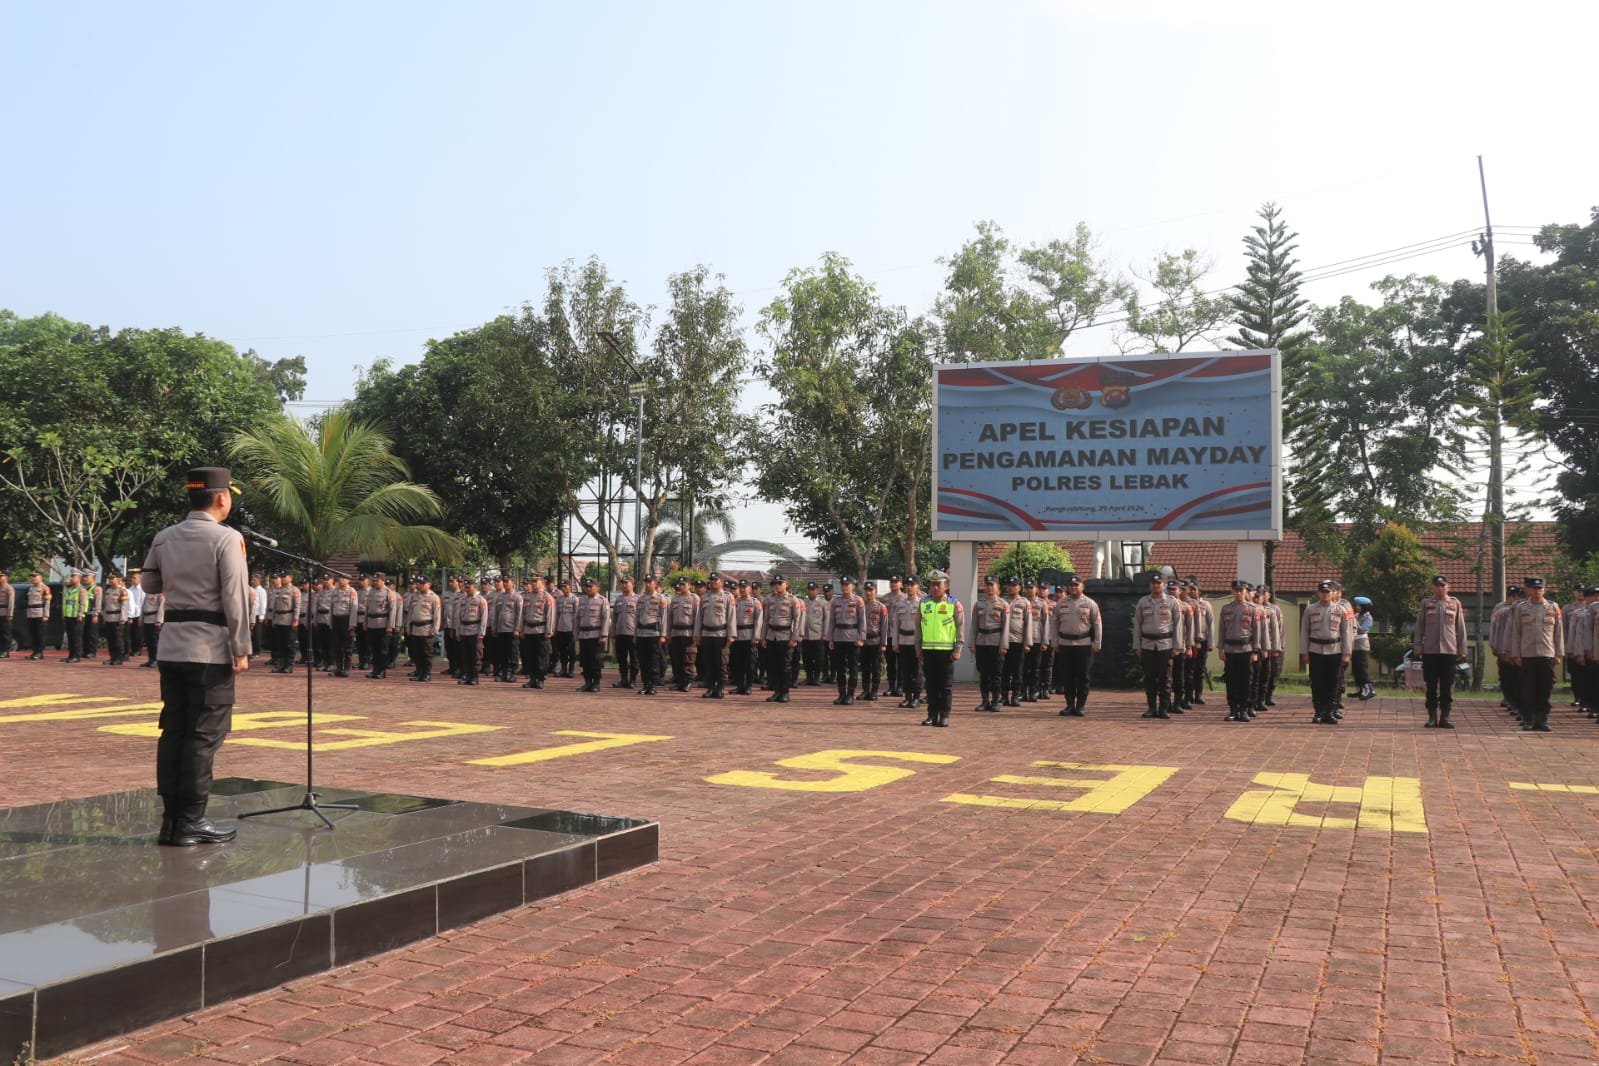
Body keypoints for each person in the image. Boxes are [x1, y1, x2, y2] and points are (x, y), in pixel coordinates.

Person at [139, 466, 251, 846]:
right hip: (209, 648)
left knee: (175, 731)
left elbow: (150, 582)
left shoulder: (164, 537)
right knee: (204, 735)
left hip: (172, 644)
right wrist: (242, 648)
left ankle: (171, 821)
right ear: (221, 497)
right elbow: (235, 597)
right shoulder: (226, 538)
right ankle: (191, 820)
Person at [1507, 576, 1563, 732]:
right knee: (1528, 689)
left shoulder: (1553, 607)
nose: (1538, 591)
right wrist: (1516, 654)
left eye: (1540, 588)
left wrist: (1558, 653)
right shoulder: (1521, 608)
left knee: (1545, 689)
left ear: (1544, 590)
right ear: (1528, 590)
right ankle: (1529, 719)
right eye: (1534, 588)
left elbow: (1558, 632)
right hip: (1528, 654)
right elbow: (1516, 632)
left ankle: (1542, 720)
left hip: (1547, 653)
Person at [1413, 574, 1468, 728]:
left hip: (1449, 651)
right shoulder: (1426, 603)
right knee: (1430, 685)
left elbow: (1460, 628)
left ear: (1448, 587)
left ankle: (1445, 717)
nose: (1440, 588)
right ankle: (1431, 717)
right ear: (1433, 587)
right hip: (1430, 651)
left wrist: (1462, 649)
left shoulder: (1455, 603)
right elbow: (1419, 627)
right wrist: (1417, 646)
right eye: (1437, 585)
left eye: (1443, 585)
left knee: (1446, 685)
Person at [1133, 573, 1186, 719]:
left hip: (1165, 644)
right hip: (1147, 644)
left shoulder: (1172, 602)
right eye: (1153, 583)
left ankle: (1163, 708)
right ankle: (1151, 707)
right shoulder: (1143, 602)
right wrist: (1137, 645)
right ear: (1150, 585)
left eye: (1159, 583)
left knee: (1165, 678)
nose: (1156, 585)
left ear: (1163, 585)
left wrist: (1178, 645)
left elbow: (1178, 625)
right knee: (1149, 677)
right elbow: (1137, 624)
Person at [915, 570, 964, 727]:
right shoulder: (923, 603)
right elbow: (918, 627)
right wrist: (918, 647)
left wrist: (958, 649)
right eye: (932, 584)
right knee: (931, 685)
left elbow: (960, 627)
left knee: (945, 686)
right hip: (928, 651)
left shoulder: (953, 604)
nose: (935, 588)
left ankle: (944, 715)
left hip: (946, 652)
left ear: (946, 586)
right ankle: (931, 715)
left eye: (938, 584)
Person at [1048, 574, 1101, 717]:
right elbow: (1054, 623)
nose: (1073, 587)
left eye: (1076, 585)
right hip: (1065, 644)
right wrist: (1054, 642)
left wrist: (1097, 642)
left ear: (1082, 587)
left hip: (1083, 644)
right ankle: (1069, 704)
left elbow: (1097, 623)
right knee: (1067, 676)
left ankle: (1081, 705)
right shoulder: (1061, 603)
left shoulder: (1090, 603)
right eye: (1071, 585)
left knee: (1083, 676)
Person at [1301, 580, 1353, 725]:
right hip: (1315, 650)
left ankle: (1330, 712)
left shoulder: (1340, 610)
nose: (1325, 595)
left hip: (1334, 650)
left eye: (1327, 592)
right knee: (1317, 683)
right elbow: (1304, 631)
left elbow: (1346, 632)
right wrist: (1304, 652)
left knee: (1333, 683)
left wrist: (1346, 653)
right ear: (1318, 593)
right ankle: (1318, 712)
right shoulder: (1310, 610)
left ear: (1332, 594)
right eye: (1322, 592)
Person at [1218, 580, 1263, 722]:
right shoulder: (1226, 609)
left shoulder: (1252, 609)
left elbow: (1257, 631)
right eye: (1235, 590)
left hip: (1246, 649)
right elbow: (1222, 630)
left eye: (1241, 591)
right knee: (1231, 681)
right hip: (1230, 649)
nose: (1238, 593)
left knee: (1245, 681)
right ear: (1232, 592)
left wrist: (1256, 651)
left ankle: (1243, 710)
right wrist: (1221, 648)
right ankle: (1233, 710)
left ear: (1246, 593)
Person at [969, 575, 1009, 712]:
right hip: (981, 642)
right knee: (983, 673)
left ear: (998, 588)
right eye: (987, 585)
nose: (989, 588)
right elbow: (974, 625)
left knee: (996, 674)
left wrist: (1004, 645)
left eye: (992, 585)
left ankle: (996, 700)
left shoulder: (1003, 604)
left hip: (996, 642)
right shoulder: (978, 604)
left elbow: (1006, 626)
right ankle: (985, 701)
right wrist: (972, 643)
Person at [825, 575, 867, 706]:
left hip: (853, 638)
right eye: (843, 585)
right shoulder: (836, 601)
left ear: (853, 586)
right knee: (840, 668)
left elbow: (862, 621)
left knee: (853, 667)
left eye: (847, 584)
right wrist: (830, 638)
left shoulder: (858, 600)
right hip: (838, 637)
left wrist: (861, 637)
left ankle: (850, 694)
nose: (845, 587)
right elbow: (831, 621)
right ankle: (841, 694)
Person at [760, 574, 802, 703]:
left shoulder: (793, 600)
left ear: (786, 584)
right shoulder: (770, 599)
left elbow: (798, 620)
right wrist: (763, 637)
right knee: (773, 666)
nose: (777, 586)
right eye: (775, 583)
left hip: (785, 636)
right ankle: (776, 691)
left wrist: (794, 638)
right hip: (772, 635)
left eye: (780, 583)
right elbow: (766, 619)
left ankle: (785, 692)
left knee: (785, 666)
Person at [693, 572, 735, 699]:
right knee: (708, 662)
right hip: (706, 633)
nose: (712, 582)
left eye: (715, 580)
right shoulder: (704, 597)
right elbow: (699, 617)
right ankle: (711, 688)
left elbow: (731, 616)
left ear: (721, 582)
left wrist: (731, 634)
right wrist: (697, 634)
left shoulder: (728, 596)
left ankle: (720, 688)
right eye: (711, 580)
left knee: (720, 663)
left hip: (720, 634)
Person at [575, 576, 612, 692]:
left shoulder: (602, 600)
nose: (588, 589)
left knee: (596, 660)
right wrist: (576, 633)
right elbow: (577, 618)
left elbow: (606, 619)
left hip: (596, 635)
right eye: (586, 587)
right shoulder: (582, 600)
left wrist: (604, 635)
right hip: (584, 634)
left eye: (591, 586)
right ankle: (587, 682)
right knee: (585, 660)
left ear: (597, 588)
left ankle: (596, 683)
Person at [634, 575, 669, 696]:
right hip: (642, 634)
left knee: (654, 660)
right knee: (643, 661)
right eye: (646, 582)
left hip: (654, 634)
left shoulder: (661, 598)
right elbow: (636, 617)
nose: (648, 584)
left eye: (650, 582)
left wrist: (663, 635)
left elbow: (664, 618)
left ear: (655, 583)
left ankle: (653, 685)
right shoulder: (641, 599)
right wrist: (635, 634)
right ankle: (645, 684)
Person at [519, 574, 556, 689]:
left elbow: (550, 615)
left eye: (536, 581)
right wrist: (521, 629)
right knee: (529, 656)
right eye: (532, 581)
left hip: (541, 630)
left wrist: (549, 630)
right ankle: (532, 678)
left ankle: (540, 679)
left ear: (542, 583)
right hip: (528, 630)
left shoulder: (547, 597)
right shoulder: (527, 597)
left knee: (541, 656)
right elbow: (522, 614)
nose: (533, 584)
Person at [404, 575, 442, 681]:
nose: (419, 585)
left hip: (427, 628)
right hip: (415, 628)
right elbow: (410, 612)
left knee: (426, 653)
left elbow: (437, 615)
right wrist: (408, 626)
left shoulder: (434, 597)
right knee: (417, 652)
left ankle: (426, 673)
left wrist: (435, 629)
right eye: (418, 583)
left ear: (429, 584)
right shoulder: (414, 596)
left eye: (422, 583)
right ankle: (419, 672)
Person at [894, 576, 924, 708]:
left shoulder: (922, 604)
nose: (909, 587)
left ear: (918, 587)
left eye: (912, 585)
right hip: (903, 641)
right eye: (907, 585)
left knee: (917, 670)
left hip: (916, 642)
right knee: (905, 671)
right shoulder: (900, 604)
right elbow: (895, 625)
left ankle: (916, 697)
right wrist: (895, 642)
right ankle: (907, 696)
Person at [731, 580, 763, 696]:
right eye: (741, 587)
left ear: (749, 588)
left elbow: (758, 621)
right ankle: (740, 686)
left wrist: (756, 636)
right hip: (737, 636)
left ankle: (748, 686)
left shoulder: (755, 602)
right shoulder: (735, 602)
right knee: (737, 663)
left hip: (749, 636)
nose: (742, 589)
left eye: (745, 587)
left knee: (750, 663)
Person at [454, 579, 488, 685]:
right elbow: (458, 616)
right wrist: (458, 631)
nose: (466, 589)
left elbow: (484, 617)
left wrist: (481, 632)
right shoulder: (462, 600)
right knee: (465, 656)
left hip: (475, 630)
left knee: (475, 656)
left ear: (474, 586)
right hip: (464, 630)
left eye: (468, 587)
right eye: (465, 587)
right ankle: (467, 676)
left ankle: (474, 677)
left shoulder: (480, 600)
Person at [667, 577, 698, 692]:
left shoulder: (694, 599)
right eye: (679, 584)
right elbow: (670, 618)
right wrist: (668, 633)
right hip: (676, 632)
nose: (681, 586)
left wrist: (696, 633)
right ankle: (679, 682)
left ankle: (688, 682)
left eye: (683, 584)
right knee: (677, 658)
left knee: (688, 658)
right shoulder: (674, 599)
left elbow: (697, 617)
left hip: (688, 632)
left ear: (689, 585)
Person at [859, 582, 888, 701]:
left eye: (871, 590)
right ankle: (865, 690)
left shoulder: (881, 606)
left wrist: (883, 643)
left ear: (875, 591)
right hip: (863, 641)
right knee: (865, 668)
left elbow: (885, 625)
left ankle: (874, 691)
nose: (868, 592)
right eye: (866, 590)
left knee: (876, 668)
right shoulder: (860, 606)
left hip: (876, 641)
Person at [611, 577, 640, 689]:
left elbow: (640, 617)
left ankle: (632, 680)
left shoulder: (638, 599)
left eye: (626, 583)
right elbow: (614, 617)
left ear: (632, 584)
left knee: (634, 658)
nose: (624, 585)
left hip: (632, 633)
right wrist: (613, 631)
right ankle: (623, 679)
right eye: (622, 583)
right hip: (620, 633)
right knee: (621, 658)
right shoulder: (618, 599)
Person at [326, 575, 358, 677]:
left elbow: (354, 608)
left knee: (347, 646)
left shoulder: (351, 591)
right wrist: (330, 622)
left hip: (346, 620)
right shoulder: (335, 591)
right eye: (340, 578)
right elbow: (331, 607)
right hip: (336, 619)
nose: (341, 580)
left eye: (344, 578)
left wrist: (352, 623)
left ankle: (346, 668)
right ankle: (339, 667)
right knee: (337, 646)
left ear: (348, 580)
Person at [101, 571, 132, 665]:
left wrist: (123, 618)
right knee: (110, 639)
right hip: (109, 617)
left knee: (118, 639)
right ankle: (112, 657)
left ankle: (119, 658)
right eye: (109, 579)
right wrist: (104, 617)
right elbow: (105, 606)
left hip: (118, 617)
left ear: (118, 579)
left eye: (112, 578)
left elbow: (124, 605)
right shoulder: (108, 591)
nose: (110, 580)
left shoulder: (122, 591)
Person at [882, 576, 905, 697]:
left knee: (901, 663)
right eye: (892, 582)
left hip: (901, 635)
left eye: (896, 582)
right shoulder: (885, 598)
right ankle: (891, 686)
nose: (893, 584)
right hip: (888, 634)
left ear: (901, 584)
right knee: (890, 663)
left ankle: (900, 686)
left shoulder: (905, 598)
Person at [1349, 596, 1375, 700]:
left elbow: (1362, 630)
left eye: (1359, 606)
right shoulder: (1356, 615)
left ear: (1364, 607)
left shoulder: (1368, 618)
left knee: (1362, 669)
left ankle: (1369, 689)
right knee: (1355, 669)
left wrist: (1353, 621)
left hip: (1362, 645)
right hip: (1354, 645)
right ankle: (1360, 689)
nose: (1357, 607)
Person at [552, 578, 577, 678]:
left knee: (571, 651)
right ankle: (563, 669)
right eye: (562, 587)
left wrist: (575, 631)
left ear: (570, 587)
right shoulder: (559, 599)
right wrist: (555, 628)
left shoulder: (574, 599)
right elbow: (556, 615)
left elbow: (576, 616)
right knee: (562, 650)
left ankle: (571, 670)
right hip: (560, 628)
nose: (563, 589)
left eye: (565, 586)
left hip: (570, 628)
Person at [24, 570, 51, 659]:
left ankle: (40, 652)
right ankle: (35, 651)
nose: (33, 578)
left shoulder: (45, 588)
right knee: (33, 634)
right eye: (32, 576)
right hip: (31, 614)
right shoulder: (31, 588)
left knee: (40, 634)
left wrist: (46, 615)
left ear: (40, 577)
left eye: (35, 576)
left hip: (40, 613)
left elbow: (47, 602)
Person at [61, 571, 86, 662]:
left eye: (73, 577)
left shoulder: (82, 590)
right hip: (68, 616)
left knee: (76, 637)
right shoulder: (69, 589)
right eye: (71, 577)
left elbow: (83, 603)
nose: (71, 579)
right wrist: (64, 614)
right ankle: (71, 655)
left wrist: (80, 614)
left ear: (79, 578)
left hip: (77, 617)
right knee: (70, 637)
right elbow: (66, 603)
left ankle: (76, 656)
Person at [141, 586, 165, 666]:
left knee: (154, 641)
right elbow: (143, 606)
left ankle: (156, 660)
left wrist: (159, 620)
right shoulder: (148, 593)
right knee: (149, 641)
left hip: (154, 619)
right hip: (147, 618)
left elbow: (161, 607)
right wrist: (141, 619)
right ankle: (151, 659)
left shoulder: (160, 593)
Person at [0, 568, 13, 657]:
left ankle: (6, 651)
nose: (0, 578)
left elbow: (11, 601)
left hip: (5, 612)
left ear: (6, 577)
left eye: (1, 576)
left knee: (5, 633)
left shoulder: (9, 588)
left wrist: (10, 613)